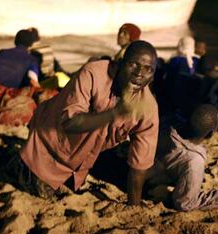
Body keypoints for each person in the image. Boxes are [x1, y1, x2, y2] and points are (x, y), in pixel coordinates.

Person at [11, 40, 159, 205]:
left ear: (153, 76)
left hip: (80, 163)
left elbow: (140, 163)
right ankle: (18, 163)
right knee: (37, 187)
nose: (139, 73)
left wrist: (134, 205)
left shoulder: (148, 107)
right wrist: (115, 113)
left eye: (148, 69)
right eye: (134, 64)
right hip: (47, 146)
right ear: (120, 63)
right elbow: (70, 122)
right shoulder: (93, 74)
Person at [147, 104, 218, 211]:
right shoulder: (194, 161)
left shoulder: (167, 127)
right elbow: (184, 203)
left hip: (139, 173)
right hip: (149, 184)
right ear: (210, 134)